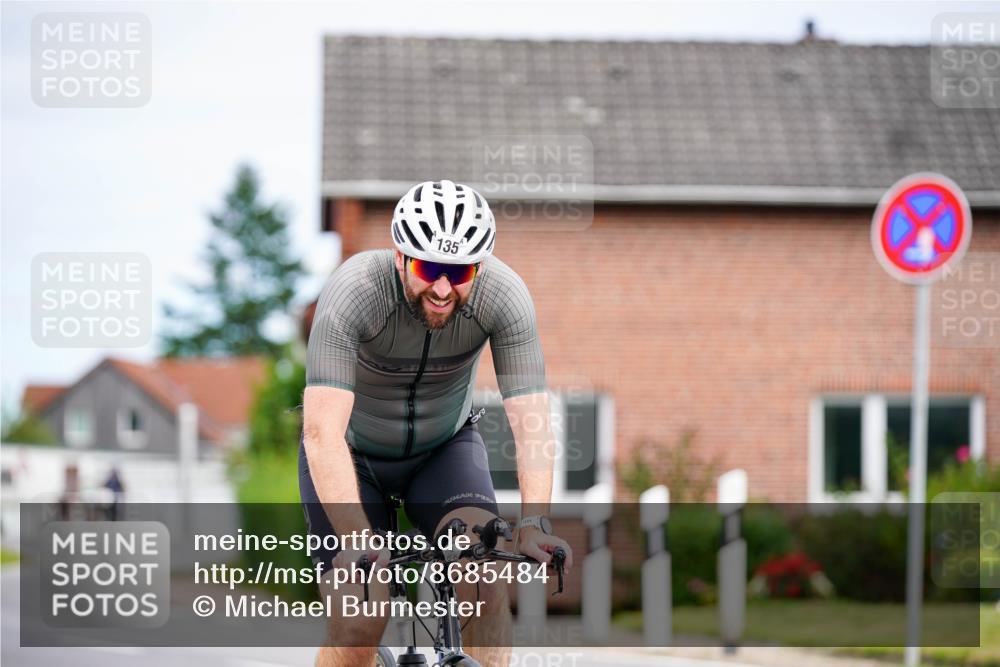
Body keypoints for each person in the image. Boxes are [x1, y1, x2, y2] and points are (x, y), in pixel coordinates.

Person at [300, 179, 572, 667]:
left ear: (479, 267)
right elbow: (322, 432)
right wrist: (357, 539)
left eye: (460, 272)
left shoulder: (505, 297)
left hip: (444, 451)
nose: (443, 289)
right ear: (400, 258)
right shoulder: (354, 291)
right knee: (360, 618)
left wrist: (534, 522)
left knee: (484, 577)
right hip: (351, 456)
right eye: (428, 269)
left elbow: (532, 423)